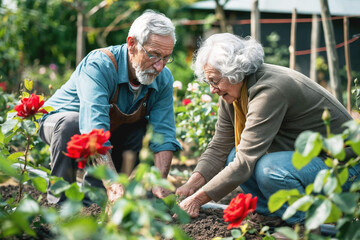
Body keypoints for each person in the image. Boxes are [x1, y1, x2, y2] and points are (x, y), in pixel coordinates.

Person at [176, 33, 359, 227]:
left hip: (345, 168)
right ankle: (272, 215)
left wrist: (196, 200)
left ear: (234, 72)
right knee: (232, 156)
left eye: (214, 81)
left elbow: (245, 162)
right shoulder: (232, 93)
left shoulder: (269, 90)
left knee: (269, 168)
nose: (212, 89)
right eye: (209, 82)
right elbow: (219, 147)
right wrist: (190, 186)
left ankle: (302, 224)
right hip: (312, 163)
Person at [38, 10, 182, 205]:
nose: (160, 66)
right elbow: (94, 129)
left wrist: (161, 185)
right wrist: (113, 184)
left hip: (105, 132)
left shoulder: (163, 79)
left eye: (166, 58)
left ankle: (95, 203)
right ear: (132, 45)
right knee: (72, 125)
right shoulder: (100, 65)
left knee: (140, 131)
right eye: (154, 55)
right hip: (59, 123)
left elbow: (164, 135)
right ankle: (59, 205)